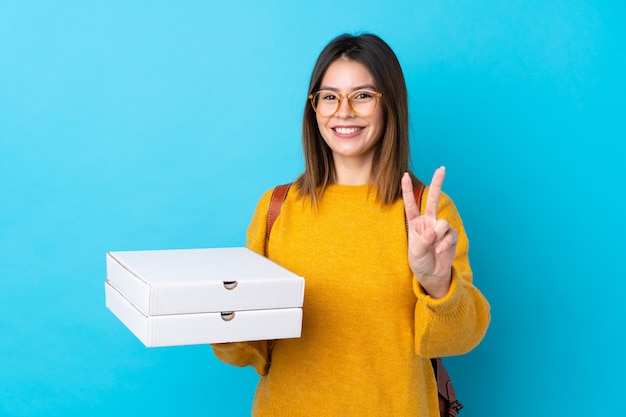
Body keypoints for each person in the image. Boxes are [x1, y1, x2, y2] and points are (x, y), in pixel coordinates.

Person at [212, 33, 490, 417]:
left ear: (389, 104)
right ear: (314, 109)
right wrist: (218, 317)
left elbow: (461, 337)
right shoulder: (276, 209)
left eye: (362, 95)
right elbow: (248, 351)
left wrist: (437, 283)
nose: (343, 111)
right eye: (329, 97)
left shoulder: (428, 212)